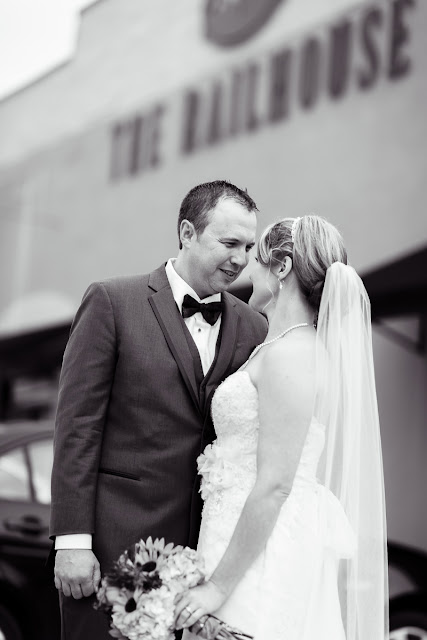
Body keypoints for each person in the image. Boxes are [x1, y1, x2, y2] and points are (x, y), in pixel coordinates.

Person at [49, 180, 268, 640]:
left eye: (248, 246)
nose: (240, 258)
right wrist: (72, 541)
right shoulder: (112, 301)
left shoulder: (254, 326)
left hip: (206, 556)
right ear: (187, 232)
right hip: (113, 544)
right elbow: (77, 428)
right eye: (228, 243)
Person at [176, 215, 388, 640]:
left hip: (263, 555)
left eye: (257, 259)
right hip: (233, 534)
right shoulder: (274, 347)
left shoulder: (294, 356)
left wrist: (218, 587)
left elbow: (275, 484)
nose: (246, 270)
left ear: (283, 267)